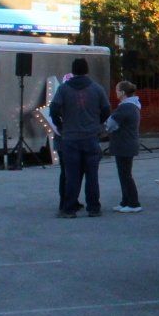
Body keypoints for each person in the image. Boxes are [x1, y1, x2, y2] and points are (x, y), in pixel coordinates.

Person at [49, 57, 111, 217]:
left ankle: (69, 208)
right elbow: (106, 109)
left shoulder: (63, 89)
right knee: (92, 175)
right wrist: (97, 123)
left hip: (70, 138)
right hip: (91, 137)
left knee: (72, 176)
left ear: (73, 70)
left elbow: (53, 109)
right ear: (87, 70)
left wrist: (61, 126)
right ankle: (94, 207)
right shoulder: (97, 88)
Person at [106, 81, 143, 213]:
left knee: (125, 175)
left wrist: (105, 127)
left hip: (124, 144)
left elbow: (111, 124)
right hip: (129, 143)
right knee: (124, 174)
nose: (115, 92)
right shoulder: (133, 106)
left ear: (122, 92)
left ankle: (133, 203)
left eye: (117, 90)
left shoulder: (125, 107)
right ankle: (125, 201)